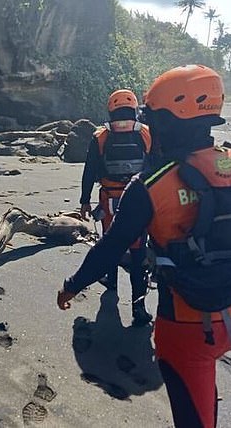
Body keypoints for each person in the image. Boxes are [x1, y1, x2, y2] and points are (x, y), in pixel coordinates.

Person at [57, 64, 231, 428]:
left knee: (194, 410)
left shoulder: (151, 185)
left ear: (169, 120)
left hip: (187, 327)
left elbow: (110, 247)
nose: (149, 125)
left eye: (153, 117)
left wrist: (72, 285)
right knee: (202, 385)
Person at [79, 89, 152, 325]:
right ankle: (138, 307)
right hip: (141, 198)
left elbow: (90, 170)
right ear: (134, 108)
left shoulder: (100, 136)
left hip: (109, 197)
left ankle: (110, 281)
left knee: (110, 241)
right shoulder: (146, 133)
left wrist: (84, 200)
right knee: (139, 251)